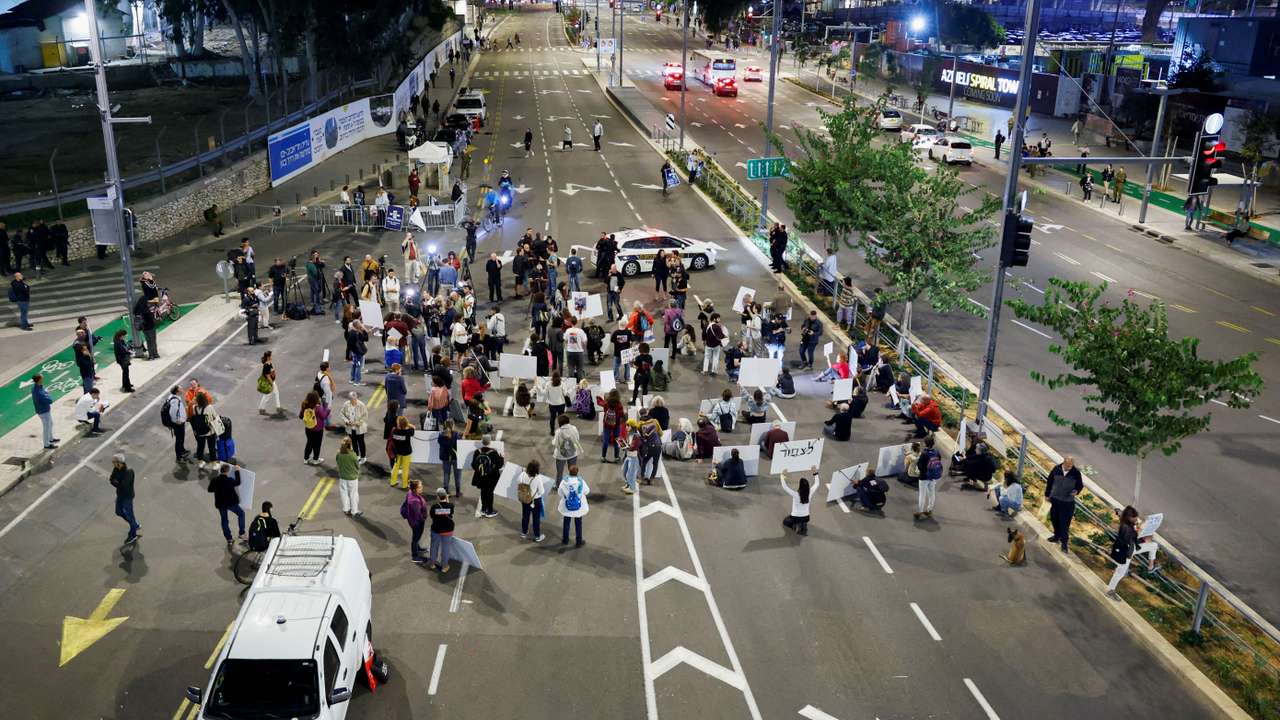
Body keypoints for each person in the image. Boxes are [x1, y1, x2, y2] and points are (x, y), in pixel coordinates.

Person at [1046, 456, 1084, 553]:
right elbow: (1050, 481)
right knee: (1054, 519)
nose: (1069, 468)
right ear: (1064, 462)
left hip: (1067, 503)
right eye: (1068, 466)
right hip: (1055, 499)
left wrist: (1076, 491)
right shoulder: (1056, 469)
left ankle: (1064, 543)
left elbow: (1080, 485)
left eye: (1071, 466)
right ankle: (1056, 536)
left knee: (1064, 523)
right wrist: (1047, 494)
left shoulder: (1076, 473)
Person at [207, 463, 245, 548]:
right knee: (241, 514)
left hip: (220, 504)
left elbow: (209, 490)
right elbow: (238, 482)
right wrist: (237, 471)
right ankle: (242, 533)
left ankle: (229, 539)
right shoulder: (230, 480)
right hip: (231, 503)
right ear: (227, 471)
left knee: (224, 521)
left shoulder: (214, 480)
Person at [1106, 505, 1141, 596]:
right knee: (1119, 573)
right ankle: (1110, 591)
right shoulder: (1126, 528)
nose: (1136, 519)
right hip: (1125, 554)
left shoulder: (1127, 524)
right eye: (1134, 518)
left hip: (1129, 551)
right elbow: (1126, 541)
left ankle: (1111, 590)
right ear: (1129, 518)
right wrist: (1136, 532)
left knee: (1120, 572)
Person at [109, 453, 141, 544]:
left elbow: (123, 485)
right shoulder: (116, 469)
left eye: (114, 462)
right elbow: (111, 479)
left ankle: (133, 534)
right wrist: (117, 483)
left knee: (129, 514)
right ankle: (134, 524)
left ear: (119, 463)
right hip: (120, 495)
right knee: (118, 512)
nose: (113, 464)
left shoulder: (129, 472)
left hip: (127, 497)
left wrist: (116, 482)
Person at [471, 435, 504, 517]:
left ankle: (483, 508)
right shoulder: (493, 452)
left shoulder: (477, 452)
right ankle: (489, 510)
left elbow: (473, 465)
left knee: (483, 492)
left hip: (480, 477)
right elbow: (499, 465)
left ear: (482, 442)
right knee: (490, 493)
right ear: (490, 442)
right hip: (491, 478)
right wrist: (502, 458)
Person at [558, 464, 590, 546]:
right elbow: (587, 491)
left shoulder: (564, 481)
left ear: (569, 472)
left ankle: (565, 540)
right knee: (578, 523)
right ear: (577, 472)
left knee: (566, 522)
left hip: (567, 506)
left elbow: (560, 493)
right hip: (578, 507)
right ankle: (579, 541)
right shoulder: (581, 482)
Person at [913, 434, 943, 521]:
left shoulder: (924, 454)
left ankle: (920, 511)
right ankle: (929, 510)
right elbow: (939, 461)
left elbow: (920, 466)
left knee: (922, 494)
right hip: (933, 476)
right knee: (931, 493)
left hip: (924, 476)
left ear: (925, 443)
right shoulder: (937, 452)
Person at [780, 469, 819, 536]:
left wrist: (782, 475)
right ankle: (803, 525)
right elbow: (817, 484)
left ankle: (795, 526)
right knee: (802, 520)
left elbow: (785, 487)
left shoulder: (796, 495)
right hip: (806, 517)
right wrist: (815, 473)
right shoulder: (810, 492)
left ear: (800, 486)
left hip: (795, 517)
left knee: (785, 522)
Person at [517, 460, 549, 542]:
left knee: (525, 516)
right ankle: (537, 536)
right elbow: (541, 491)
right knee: (536, 518)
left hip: (525, 499)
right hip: (535, 500)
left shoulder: (523, 474)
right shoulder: (538, 478)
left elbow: (518, 481)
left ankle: (524, 532)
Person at [191, 392, 223, 468]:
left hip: (199, 431)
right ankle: (214, 464)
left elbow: (195, 417)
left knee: (200, 446)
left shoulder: (194, 407)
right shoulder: (209, 407)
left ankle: (200, 462)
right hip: (209, 431)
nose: (194, 399)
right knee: (211, 447)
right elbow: (214, 416)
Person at [428, 487, 456, 572]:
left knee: (434, 547)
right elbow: (450, 512)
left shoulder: (434, 507)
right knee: (446, 548)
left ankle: (432, 564)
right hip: (447, 531)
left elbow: (432, 516)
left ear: (437, 497)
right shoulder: (451, 506)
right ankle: (444, 567)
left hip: (436, 530)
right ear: (446, 496)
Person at [402, 480, 429, 563]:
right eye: (420, 487)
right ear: (414, 489)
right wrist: (423, 518)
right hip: (416, 522)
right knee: (416, 537)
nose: (422, 488)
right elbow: (418, 515)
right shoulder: (414, 501)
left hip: (413, 520)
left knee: (416, 537)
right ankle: (415, 556)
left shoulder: (410, 492)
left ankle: (418, 548)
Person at [335, 437, 362, 516]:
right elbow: (357, 466)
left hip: (342, 477)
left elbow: (338, 462)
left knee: (344, 493)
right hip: (352, 478)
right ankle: (354, 511)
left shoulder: (338, 454)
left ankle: (346, 509)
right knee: (353, 494)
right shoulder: (352, 455)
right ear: (350, 445)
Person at [340, 391, 369, 463]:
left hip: (359, 428)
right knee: (353, 442)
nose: (354, 401)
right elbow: (341, 413)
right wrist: (346, 421)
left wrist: (357, 423)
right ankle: (357, 455)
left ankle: (363, 457)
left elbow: (365, 416)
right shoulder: (346, 404)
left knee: (361, 443)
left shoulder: (361, 405)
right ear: (349, 399)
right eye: (352, 399)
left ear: (357, 398)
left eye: (355, 399)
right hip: (350, 428)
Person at [598, 389, 626, 462]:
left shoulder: (607, 403)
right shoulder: (619, 404)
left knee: (605, 441)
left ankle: (603, 457)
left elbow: (600, 403)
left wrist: (598, 398)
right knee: (617, 440)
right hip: (616, 425)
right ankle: (616, 457)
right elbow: (622, 414)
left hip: (607, 425)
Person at [390, 416, 415, 489]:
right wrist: (408, 424)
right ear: (406, 423)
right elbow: (413, 427)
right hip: (406, 453)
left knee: (396, 466)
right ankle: (404, 485)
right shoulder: (408, 432)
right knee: (405, 468)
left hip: (397, 452)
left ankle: (393, 481)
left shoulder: (394, 431)